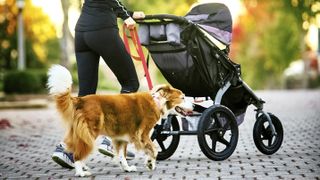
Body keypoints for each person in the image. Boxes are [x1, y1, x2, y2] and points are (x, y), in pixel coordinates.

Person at [51, 0, 145, 169]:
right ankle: (112, 138)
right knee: (130, 82)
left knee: (85, 97)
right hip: (103, 31)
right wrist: (124, 16)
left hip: (82, 32)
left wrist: (129, 13)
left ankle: (66, 148)